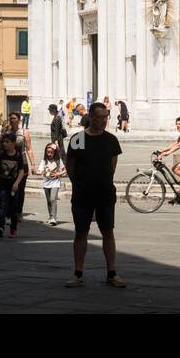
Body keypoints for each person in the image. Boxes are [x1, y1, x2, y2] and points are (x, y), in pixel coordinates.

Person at [64, 102, 124, 288]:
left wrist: (102, 181)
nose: (103, 120)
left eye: (105, 117)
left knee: (108, 232)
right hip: (82, 194)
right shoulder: (78, 138)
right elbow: (70, 166)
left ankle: (112, 273)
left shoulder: (111, 140)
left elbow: (112, 166)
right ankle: (78, 273)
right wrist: (80, 184)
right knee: (81, 232)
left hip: (105, 193)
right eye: (99, 117)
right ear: (90, 116)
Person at [0, 132, 28, 237]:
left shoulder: (18, 156)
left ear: (13, 143)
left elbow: (22, 171)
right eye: (4, 142)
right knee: (2, 204)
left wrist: (17, 183)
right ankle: (0, 227)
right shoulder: (1, 154)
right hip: (3, 184)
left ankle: (13, 229)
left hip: (14, 185)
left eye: (7, 142)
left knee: (13, 208)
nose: (4, 144)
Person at [38, 142, 66, 226]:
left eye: (51, 152)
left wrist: (58, 174)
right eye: (48, 152)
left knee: (53, 199)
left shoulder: (58, 161)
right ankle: (50, 217)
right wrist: (36, 171)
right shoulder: (44, 161)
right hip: (46, 183)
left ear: (54, 152)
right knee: (49, 201)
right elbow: (40, 171)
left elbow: (65, 170)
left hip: (55, 183)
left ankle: (53, 218)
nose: (49, 154)